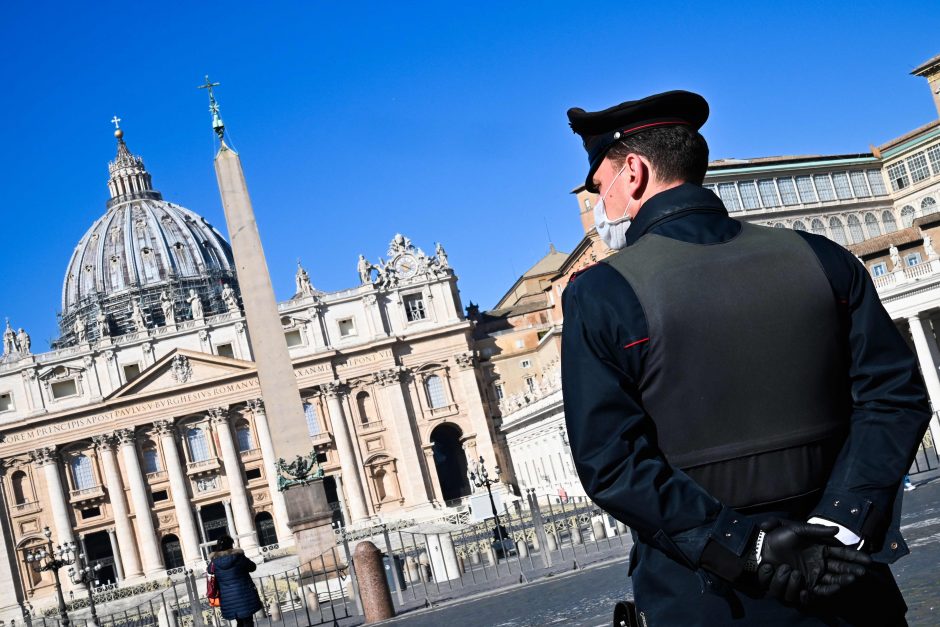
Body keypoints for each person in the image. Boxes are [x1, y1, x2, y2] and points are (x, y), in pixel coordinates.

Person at [562, 90, 931, 625]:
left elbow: (613, 465)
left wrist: (750, 546)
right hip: (849, 584)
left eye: (601, 188)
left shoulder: (601, 294)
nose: (602, 207)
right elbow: (895, 399)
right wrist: (841, 523)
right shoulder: (824, 259)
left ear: (633, 173)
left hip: (706, 599)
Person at [208, 535, 263, 626]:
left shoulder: (214, 562)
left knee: (239, 622)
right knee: (248, 621)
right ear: (231, 544)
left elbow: (209, 570)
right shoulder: (239, 557)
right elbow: (252, 567)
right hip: (245, 594)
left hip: (228, 597)